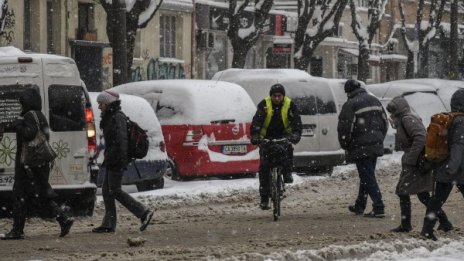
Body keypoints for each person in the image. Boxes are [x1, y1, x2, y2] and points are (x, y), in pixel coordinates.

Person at [2, 88, 74, 240]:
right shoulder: (39, 115)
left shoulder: (29, 115)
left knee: (20, 196)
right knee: (41, 194)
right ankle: (62, 218)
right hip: (38, 163)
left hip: (28, 164)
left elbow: (29, 133)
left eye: (22, 101)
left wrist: (18, 125)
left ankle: (17, 230)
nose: (20, 104)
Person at [386, 96, 452, 232]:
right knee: (422, 194)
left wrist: (411, 158)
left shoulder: (407, 119)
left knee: (403, 191)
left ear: (399, 109)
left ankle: (407, 225)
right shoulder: (404, 119)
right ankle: (444, 222)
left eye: (392, 111)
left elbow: (421, 137)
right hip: (416, 161)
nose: (391, 114)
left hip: (416, 162)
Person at [92, 90, 154, 233]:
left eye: (101, 104)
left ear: (108, 103)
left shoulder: (117, 117)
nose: (99, 107)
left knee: (115, 190)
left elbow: (121, 141)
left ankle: (144, 212)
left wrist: (118, 160)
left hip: (116, 160)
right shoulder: (110, 117)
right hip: (112, 158)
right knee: (107, 191)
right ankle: (109, 224)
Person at [337, 79, 388, 218]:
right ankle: (360, 205)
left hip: (360, 146)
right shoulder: (375, 101)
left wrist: (346, 144)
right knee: (367, 175)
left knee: (367, 177)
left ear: (348, 92)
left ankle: (379, 207)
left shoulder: (350, 104)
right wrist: (379, 138)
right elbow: (385, 122)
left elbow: (344, 128)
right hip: (375, 143)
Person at [421, 89, 464, 241]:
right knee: (437, 201)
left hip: (444, 167)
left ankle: (427, 230)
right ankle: (426, 231)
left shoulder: (449, 119)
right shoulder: (461, 122)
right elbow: (458, 147)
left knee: (436, 201)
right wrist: (451, 169)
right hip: (456, 170)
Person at [250, 84, 302, 210]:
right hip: (267, 138)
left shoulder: (290, 105)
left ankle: (287, 173)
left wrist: (295, 135)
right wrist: (256, 135)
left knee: (287, 153)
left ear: (283, 96)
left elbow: (297, 123)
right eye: (274, 96)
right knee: (264, 169)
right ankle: (264, 198)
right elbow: (256, 122)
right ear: (271, 96)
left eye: (279, 96)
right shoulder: (264, 105)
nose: (277, 98)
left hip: (284, 136)